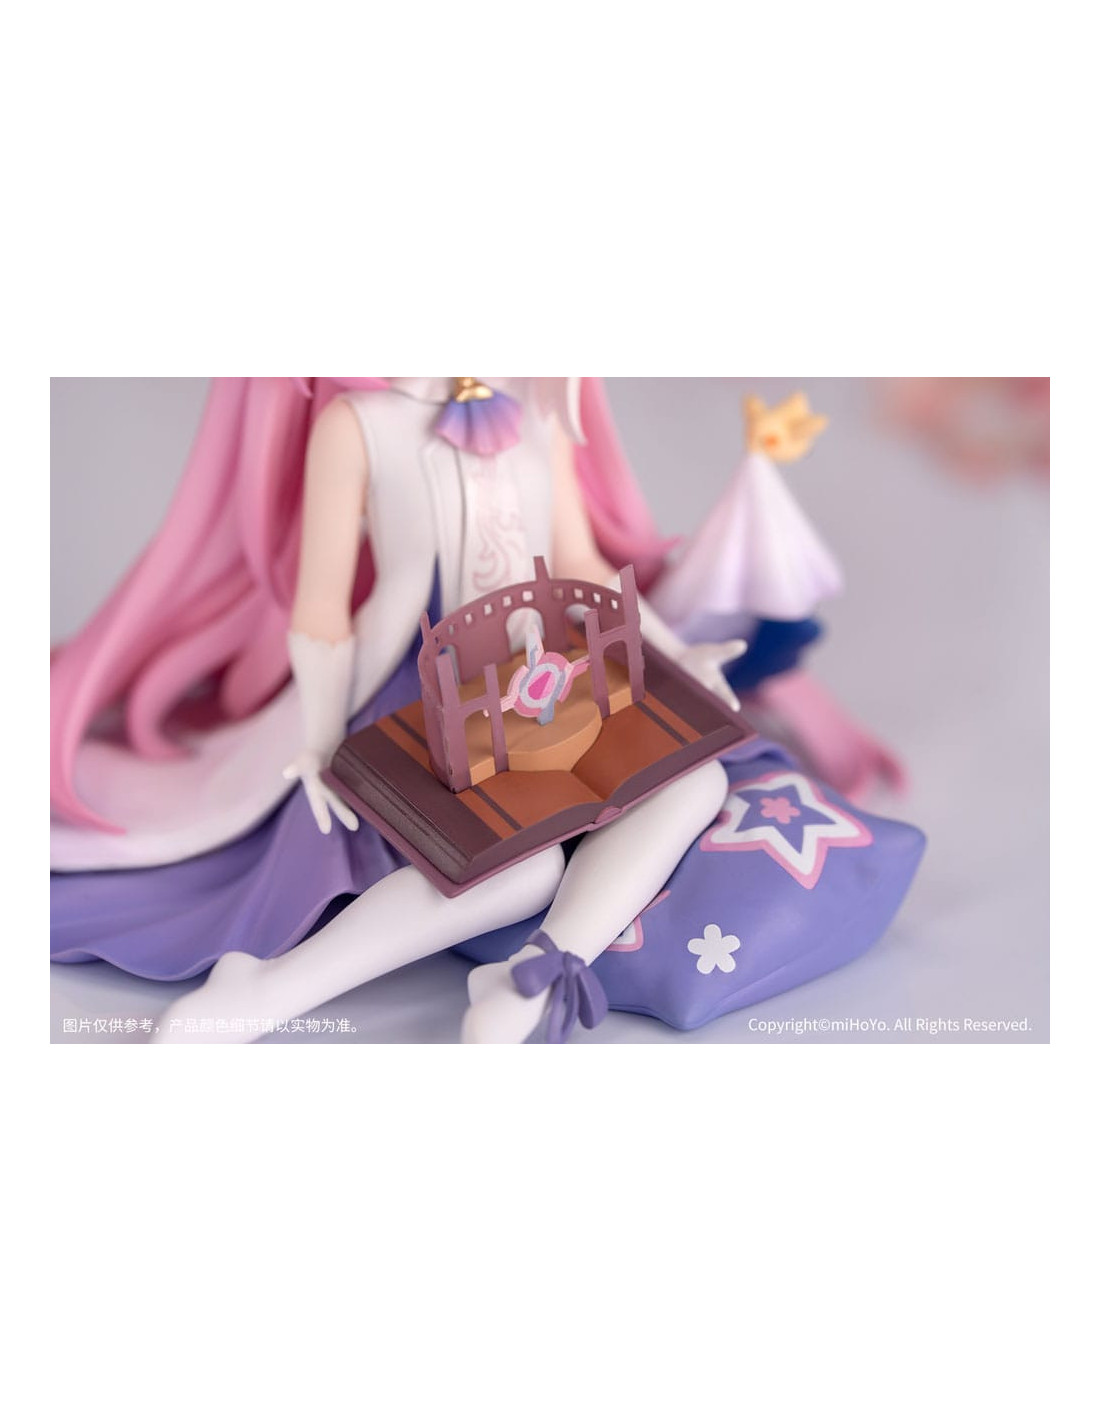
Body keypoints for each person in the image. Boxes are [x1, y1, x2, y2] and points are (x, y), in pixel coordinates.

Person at [50, 377, 903, 1042]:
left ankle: (544, 967)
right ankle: (265, 992)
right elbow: (320, 608)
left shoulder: (536, 408)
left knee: (695, 784)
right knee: (514, 865)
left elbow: (581, 561)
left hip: (550, 673)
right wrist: (318, 740)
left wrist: (677, 653)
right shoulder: (358, 425)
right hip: (418, 688)